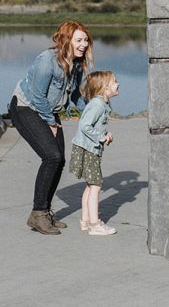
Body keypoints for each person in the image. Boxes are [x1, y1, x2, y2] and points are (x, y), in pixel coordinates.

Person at [9, 20, 93, 235]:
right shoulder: (46, 61)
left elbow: (74, 95)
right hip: (25, 108)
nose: (84, 44)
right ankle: (38, 214)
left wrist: (92, 114)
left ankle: (43, 212)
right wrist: (51, 122)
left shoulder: (76, 64)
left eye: (85, 40)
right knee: (52, 157)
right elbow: (37, 96)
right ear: (66, 40)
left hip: (47, 109)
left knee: (59, 160)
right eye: (79, 40)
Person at [69, 70, 119, 236]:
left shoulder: (100, 104)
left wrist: (105, 135)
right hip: (88, 150)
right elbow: (84, 126)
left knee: (90, 186)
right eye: (114, 82)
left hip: (87, 148)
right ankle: (94, 224)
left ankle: (85, 221)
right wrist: (101, 137)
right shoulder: (97, 105)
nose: (118, 84)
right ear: (104, 89)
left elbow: (95, 126)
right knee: (96, 186)